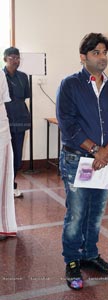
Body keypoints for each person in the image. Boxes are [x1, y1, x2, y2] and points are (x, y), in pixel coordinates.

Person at [56, 32, 108, 290]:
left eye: (104, 52)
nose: (102, 57)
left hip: (103, 162)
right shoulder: (70, 85)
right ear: (83, 57)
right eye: (96, 52)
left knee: (95, 213)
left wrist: (107, 150)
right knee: (76, 213)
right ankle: (73, 260)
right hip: (78, 160)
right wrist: (97, 150)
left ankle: (89, 254)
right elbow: (69, 125)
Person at [3, 47, 31, 198]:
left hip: (20, 121)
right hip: (3, 123)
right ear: (5, 59)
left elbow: (25, 96)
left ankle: (11, 186)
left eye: (18, 57)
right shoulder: (1, 76)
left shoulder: (23, 77)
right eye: (12, 57)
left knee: (17, 158)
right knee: (3, 156)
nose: (15, 60)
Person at [0, 70, 17, 240]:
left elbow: (4, 102)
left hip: (1, 131)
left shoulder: (0, 73)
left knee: (1, 181)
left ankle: (2, 225)